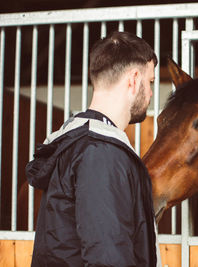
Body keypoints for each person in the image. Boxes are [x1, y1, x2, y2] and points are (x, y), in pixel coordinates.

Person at [26, 31, 161, 267]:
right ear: (133, 79)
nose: (150, 93)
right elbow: (108, 259)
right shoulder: (101, 154)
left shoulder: (82, 143)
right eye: (150, 82)